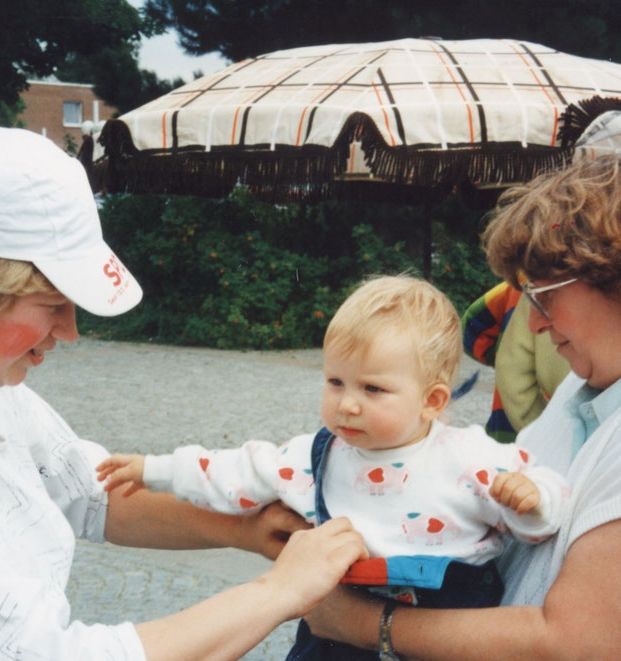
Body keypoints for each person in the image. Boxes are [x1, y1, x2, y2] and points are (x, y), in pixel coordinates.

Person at [0, 125, 368, 661]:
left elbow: (94, 492)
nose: (71, 331)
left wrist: (245, 527)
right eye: (53, 304)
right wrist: (277, 593)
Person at [97, 275, 568, 660]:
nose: (347, 405)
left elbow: (539, 500)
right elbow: (236, 472)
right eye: (336, 382)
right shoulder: (316, 456)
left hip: (443, 634)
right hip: (336, 640)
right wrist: (153, 469)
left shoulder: (470, 458)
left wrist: (535, 501)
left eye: (372, 389)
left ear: (432, 401)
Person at [297, 155, 621, 660]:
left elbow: (577, 643)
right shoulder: (581, 391)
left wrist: (363, 623)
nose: (534, 324)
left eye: (543, 298)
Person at [462, 282, 570, 442]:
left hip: (510, 428)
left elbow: (472, 325)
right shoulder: (536, 279)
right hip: (557, 434)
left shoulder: (519, 283)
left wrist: (497, 355)